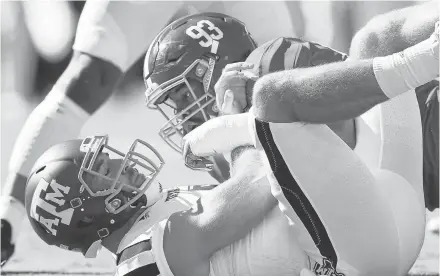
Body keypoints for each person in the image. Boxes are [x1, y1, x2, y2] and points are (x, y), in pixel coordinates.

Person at [0, 0, 298, 265]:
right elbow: (252, 193)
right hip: (287, 223)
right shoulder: (164, 242)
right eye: (104, 167)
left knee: (283, 65)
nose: (123, 163)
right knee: (89, 78)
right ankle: (5, 222)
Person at [180, 20, 438, 276]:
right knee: (373, 41)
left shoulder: (269, 64)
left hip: (406, 177)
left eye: (181, 95)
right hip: (396, 202)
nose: (180, 115)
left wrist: (230, 130)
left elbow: (334, 139)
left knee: (373, 41)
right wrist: (232, 129)